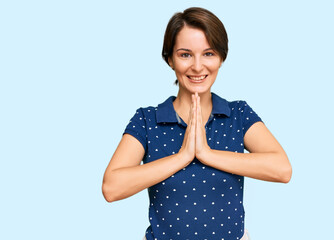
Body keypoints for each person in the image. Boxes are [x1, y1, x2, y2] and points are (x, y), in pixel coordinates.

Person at [102, 7, 292, 240]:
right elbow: (111, 188)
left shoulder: (238, 114)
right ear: (170, 59)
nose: (198, 66)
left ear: (221, 58)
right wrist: (182, 156)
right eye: (185, 54)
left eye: (208, 54)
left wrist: (206, 153)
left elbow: (282, 169)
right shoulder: (147, 119)